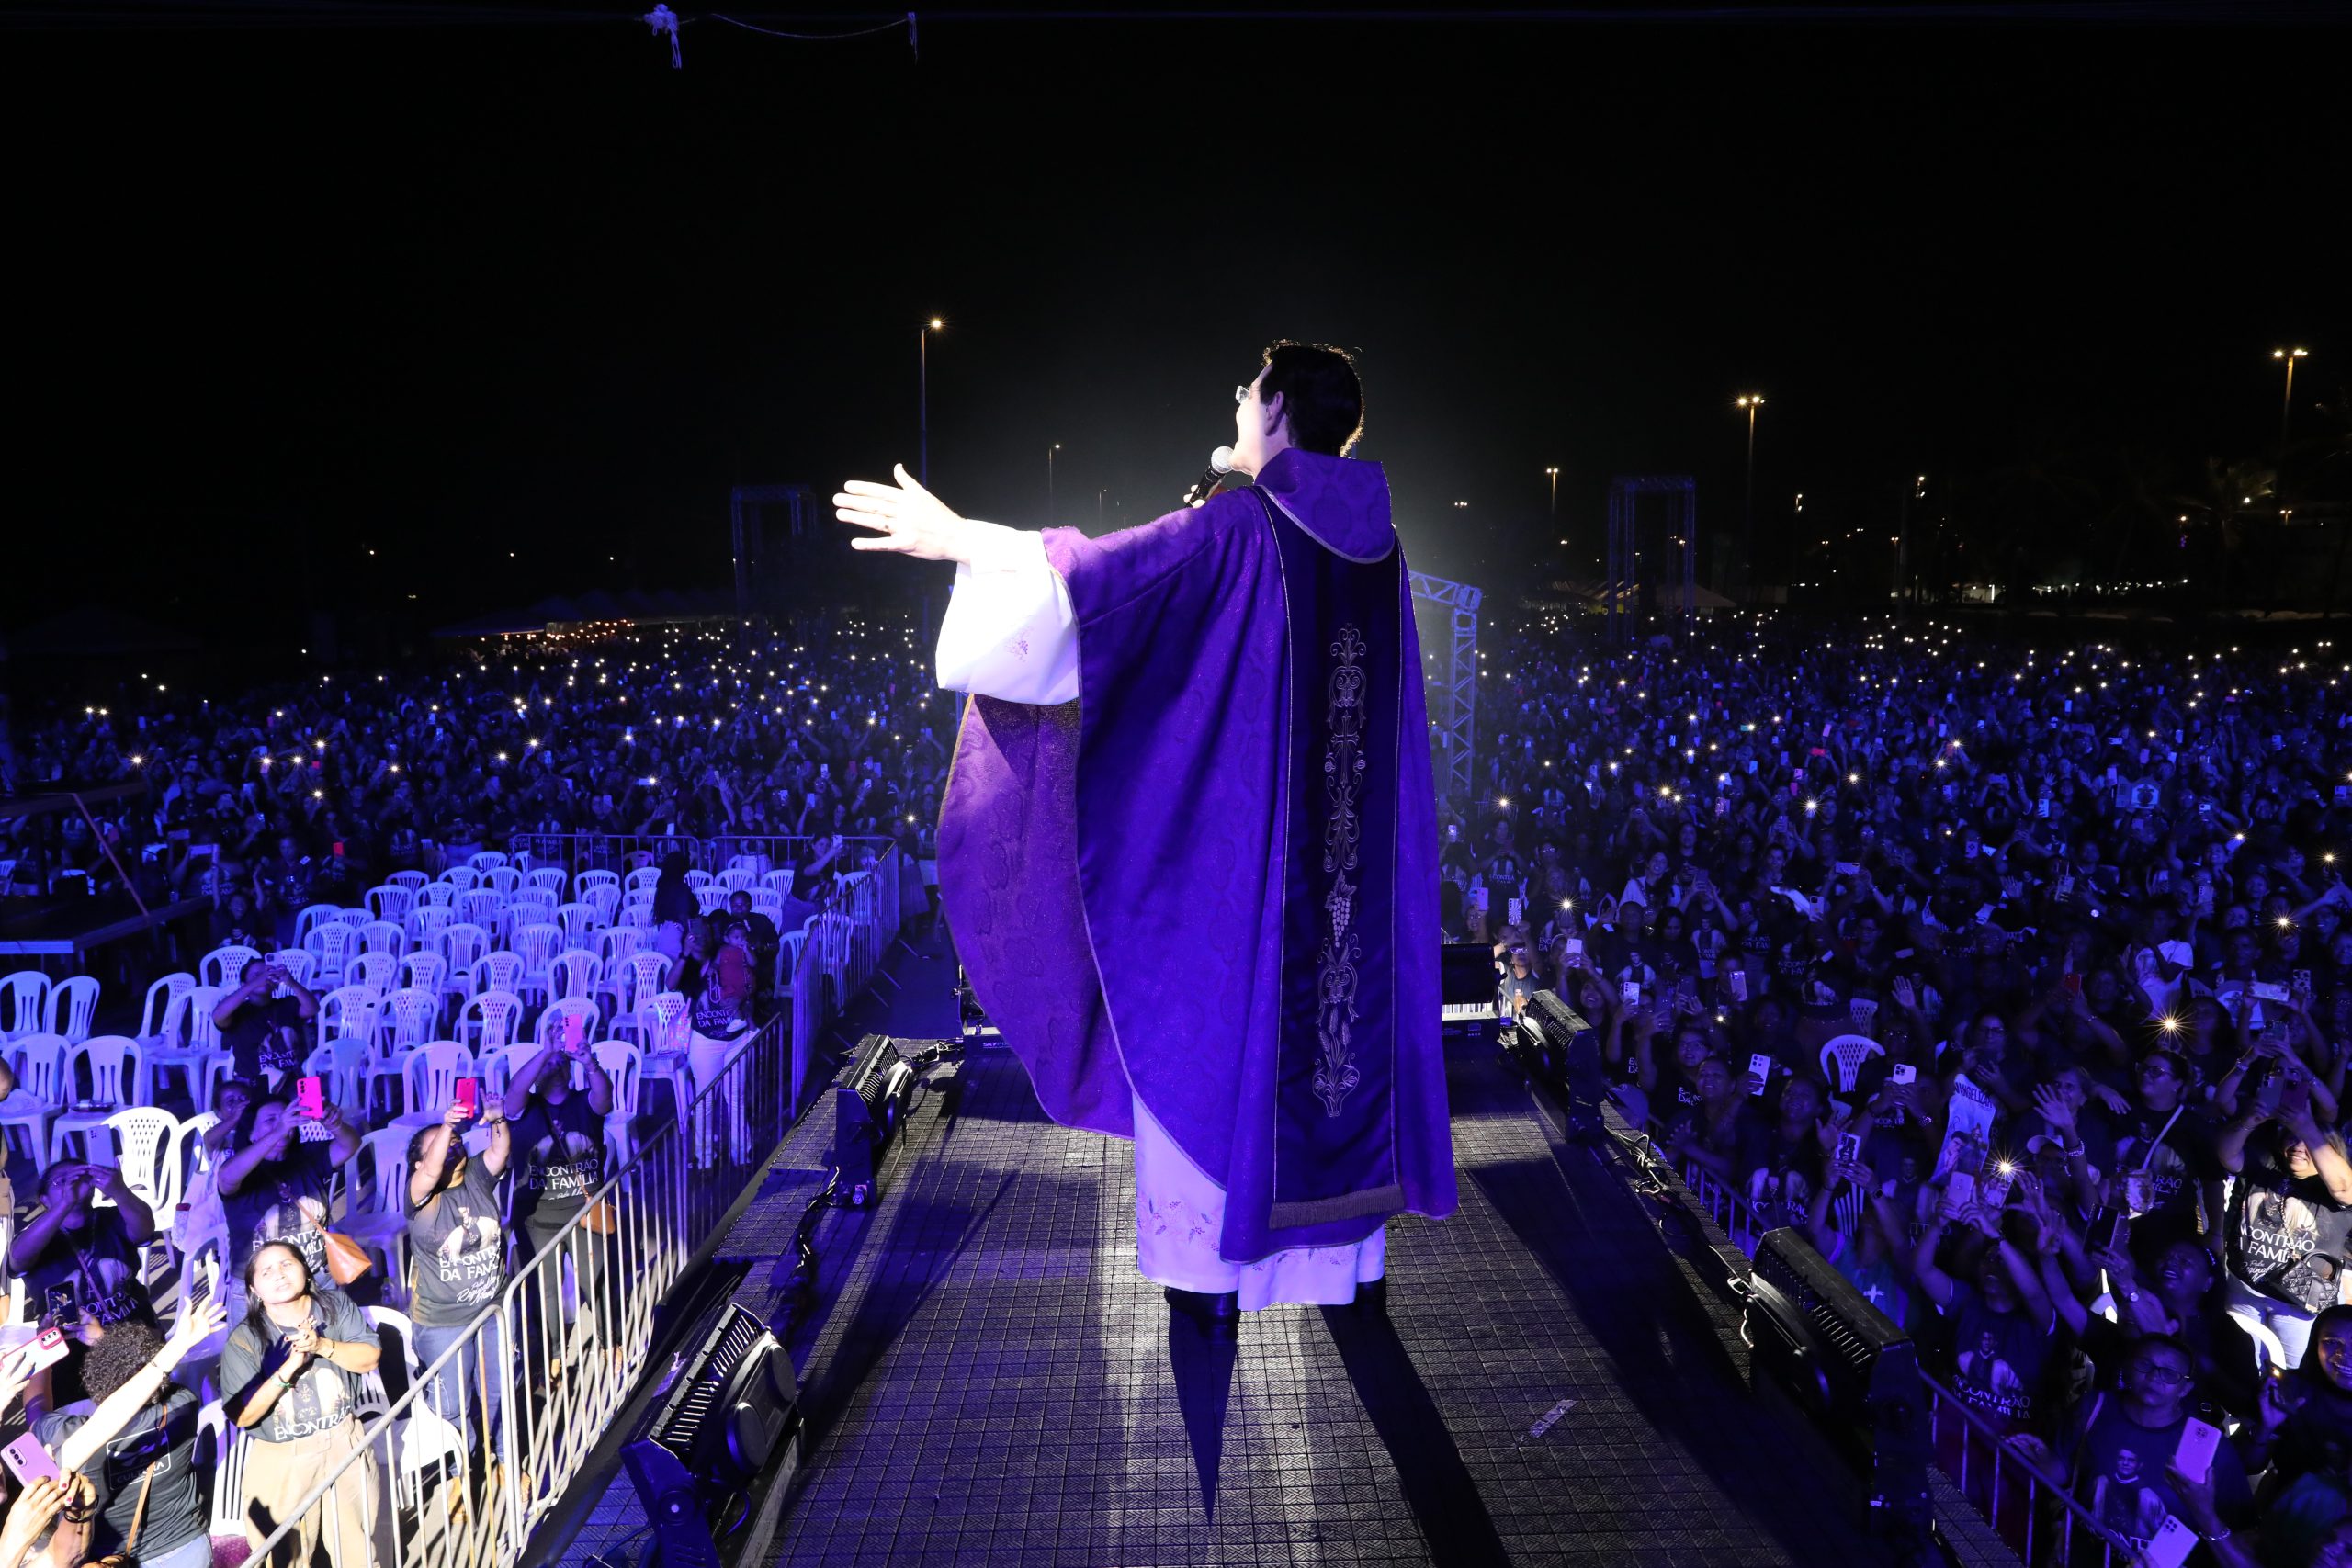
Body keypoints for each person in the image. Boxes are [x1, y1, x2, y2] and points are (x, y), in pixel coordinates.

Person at [844, 340, 1455, 1330]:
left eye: (1248, 389)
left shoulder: (1246, 527)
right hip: (1347, 886)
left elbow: (1101, 584)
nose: (1236, 399)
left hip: (1247, 879)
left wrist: (960, 537)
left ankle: (1208, 1294)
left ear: (1277, 411)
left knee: (1200, 1022)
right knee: (1336, 1045)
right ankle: (1341, 1268)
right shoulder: (1378, 547)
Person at [34, 1300, 230, 1568]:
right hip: (187, 1549)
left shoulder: (69, 1432)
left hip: (109, 1557)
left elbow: (36, 1409)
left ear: (94, 1379)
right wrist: (106, 1340)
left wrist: (43, 1347)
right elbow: (150, 1382)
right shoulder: (183, 1403)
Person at [220, 1242, 380, 1567]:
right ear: (254, 1289)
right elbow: (243, 1415)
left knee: (357, 1550)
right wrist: (289, 1368)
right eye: (266, 1272)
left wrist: (322, 1345)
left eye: (286, 1264)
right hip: (283, 1456)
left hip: (343, 1441)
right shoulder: (245, 1338)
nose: (279, 1275)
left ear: (306, 1272)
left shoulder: (335, 1306)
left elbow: (369, 1358)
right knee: (283, 1557)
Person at [405, 1090, 511, 1458]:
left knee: (499, 1390)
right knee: (452, 1403)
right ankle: (460, 1471)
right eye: (440, 1143)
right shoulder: (419, 1196)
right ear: (418, 1162)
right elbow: (432, 1172)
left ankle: (502, 1457)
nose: (452, 1146)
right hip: (442, 1322)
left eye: (455, 1142)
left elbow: (499, 1151)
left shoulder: (477, 1176)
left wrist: (498, 1118)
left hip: (493, 1309)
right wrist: (447, 1125)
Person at [504, 1032, 615, 1382]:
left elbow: (605, 1097)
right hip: (537, 1219)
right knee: (545, 1292)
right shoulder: (524, 1110)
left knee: (597, 1282)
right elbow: (513, 1093)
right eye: (546, 1064)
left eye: (559, 1062)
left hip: (585, 1214)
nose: (553, 1066)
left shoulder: (584, 1103)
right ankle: (553, 1353)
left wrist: (588, 1061)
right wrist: (546, 1051)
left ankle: (609, 1341)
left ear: (569, 1072)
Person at [215, 1095, 362, 1323]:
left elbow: (350, 1145)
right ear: (251, 1133)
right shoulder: (240, 1168)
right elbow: (226, 1177)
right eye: (270, 1120)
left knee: (328, 1343)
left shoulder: (308, 1156)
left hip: (315, 1280)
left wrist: (335, 1125)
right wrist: (278, 1130)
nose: (283, 1123)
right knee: (254, 1348)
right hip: (259, 1290)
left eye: (286, 1116)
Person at [213, 959, 319, 1092]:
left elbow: (313, 1008)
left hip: (296, 1082)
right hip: (255, 1086)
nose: (265, 977)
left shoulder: (287, 1004)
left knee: (318, 1103)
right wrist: (255, 983)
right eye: (257, 975)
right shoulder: (237, 1012)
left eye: (269, 973)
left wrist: (292, 983)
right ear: (244, 984)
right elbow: (218, 1016)